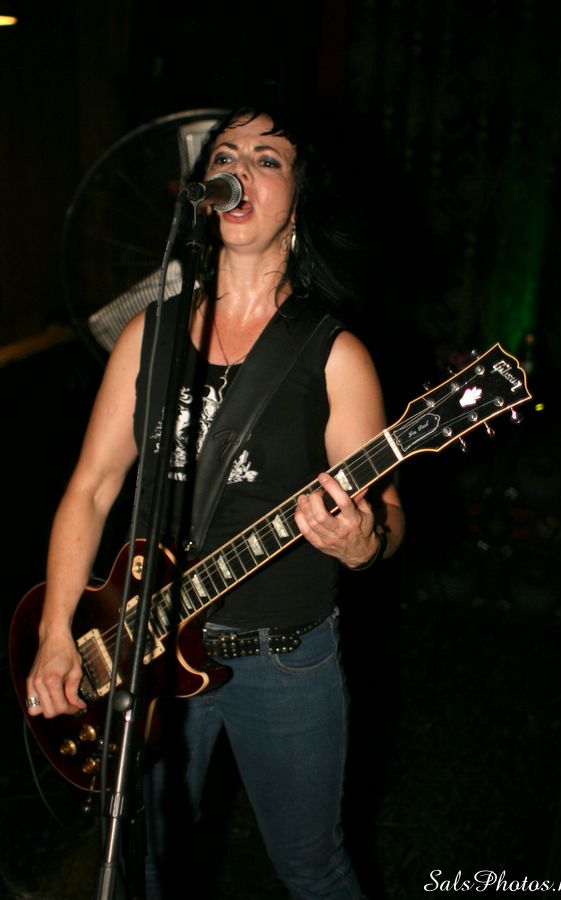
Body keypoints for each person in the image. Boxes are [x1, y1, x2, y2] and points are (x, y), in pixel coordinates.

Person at [25, 105, 405, 899]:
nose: (238, 170)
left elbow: (389, 516)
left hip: (283, 659)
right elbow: (90, 489)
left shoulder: (334, 353)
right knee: (146, 863)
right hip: (146, 647)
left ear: (298, 201)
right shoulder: (150, 335)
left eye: (266, 159)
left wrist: (362, 542)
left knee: (311, 869)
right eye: (225, 156)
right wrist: (58, 632)